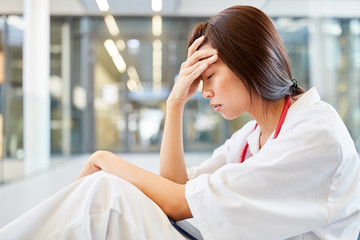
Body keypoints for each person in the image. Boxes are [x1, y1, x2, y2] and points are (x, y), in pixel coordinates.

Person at [1, 5, 359, 240]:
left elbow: (175, 201)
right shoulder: (254, 135)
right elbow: (177, 189)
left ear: (248, 62)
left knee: (106, 196)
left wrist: (106, 159)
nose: (203, 92)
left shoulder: (315, 133)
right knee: (108, 197)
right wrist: (175, 104)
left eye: (210, 76)